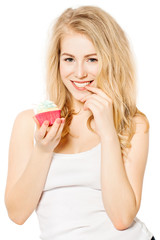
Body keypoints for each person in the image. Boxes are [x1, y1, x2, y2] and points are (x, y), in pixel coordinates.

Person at [5, 5, 155, 240]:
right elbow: (17, 214)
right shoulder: (29, 123)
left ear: (111, 61)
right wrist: (43, 151)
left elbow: (122, 218)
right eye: (69, 59)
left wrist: (108, 134)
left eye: (92, 59)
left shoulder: (132, 123)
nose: (80, 72)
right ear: (58, 62)